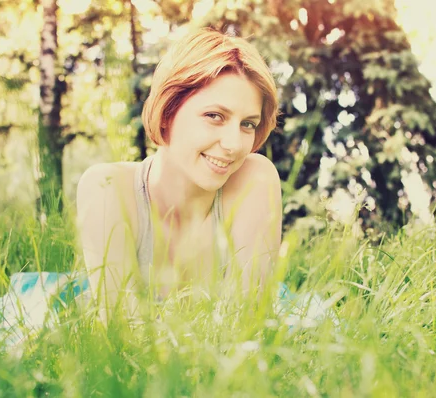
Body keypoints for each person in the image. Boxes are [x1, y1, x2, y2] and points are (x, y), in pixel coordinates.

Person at [76, 27, 283, 321]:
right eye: (215, 116)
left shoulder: (255, 179)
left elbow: (250, 324)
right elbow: (120, 331)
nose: (234, 144)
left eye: (247, 124)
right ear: (169, 110)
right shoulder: (107, 187)